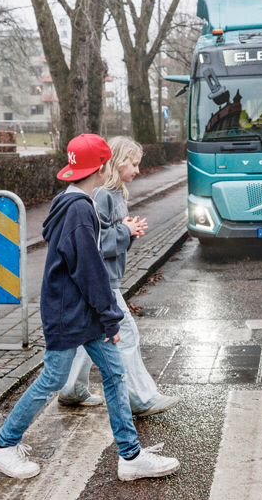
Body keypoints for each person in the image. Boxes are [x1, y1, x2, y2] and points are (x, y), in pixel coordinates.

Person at [0, 134, 179, 482]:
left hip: (79, 311)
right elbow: (88, 270)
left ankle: (130, 456)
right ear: (102, 168)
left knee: (115, 375)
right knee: (52, 379)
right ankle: (2, 445)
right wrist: (110, 317)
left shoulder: (71, 202)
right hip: (70, 313)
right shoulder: (79, 210)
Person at [58, 137, 181, 417]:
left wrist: (129, 231)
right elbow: (94, 243)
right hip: (101, 282)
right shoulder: (102, 195)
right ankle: (141, 399)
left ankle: (71, 391)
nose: (138, 169)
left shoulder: (114, 192)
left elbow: (108, 239)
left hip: (99, 280)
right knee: (126, 335)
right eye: (134, 164)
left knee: (86, 337)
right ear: (118, 161)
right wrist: (126, 231)